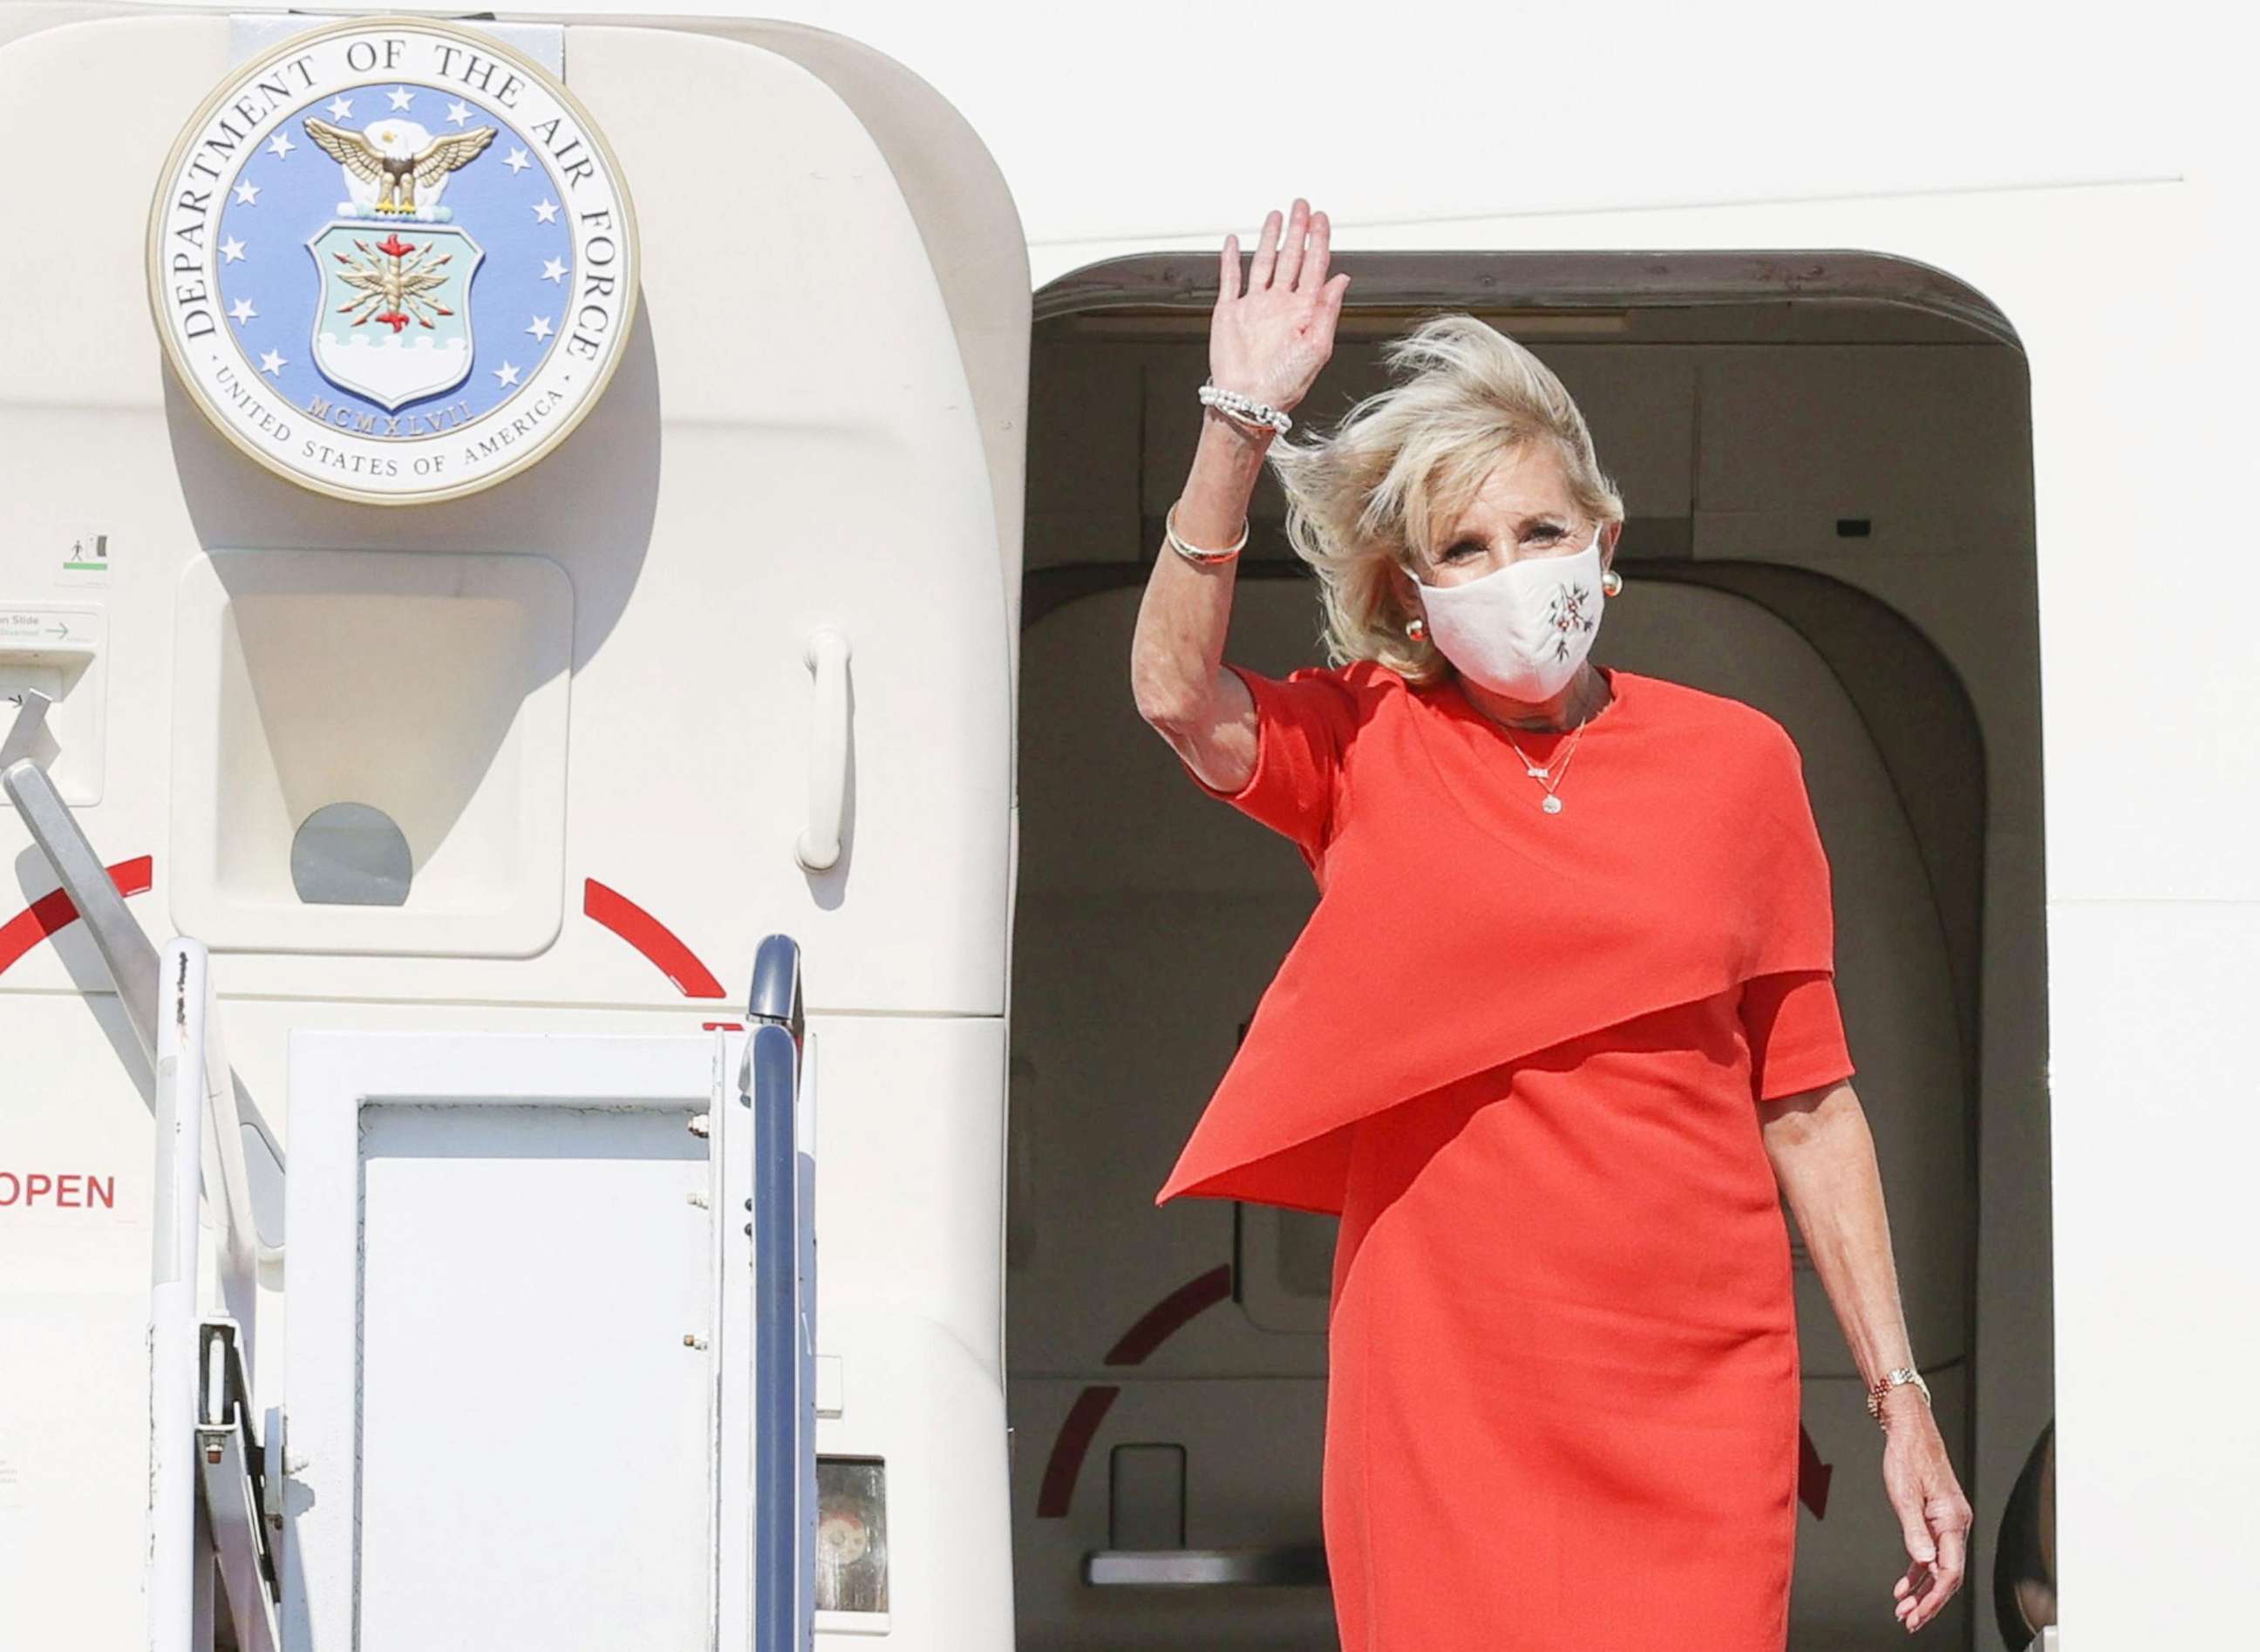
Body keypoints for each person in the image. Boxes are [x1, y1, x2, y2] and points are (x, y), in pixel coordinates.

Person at [1131, 198, 1974, 1648]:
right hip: (1445, 1377)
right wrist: (1237, 425)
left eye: (1541, 530)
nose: (1513, 570)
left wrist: (1901, 1399)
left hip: (1691, 1378)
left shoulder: (1740, 760)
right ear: (1414, 592)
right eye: (1464, 548)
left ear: (1607, 539)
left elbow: (1812, 1102)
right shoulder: (1367, 741)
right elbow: (1173, 696)